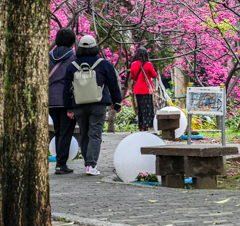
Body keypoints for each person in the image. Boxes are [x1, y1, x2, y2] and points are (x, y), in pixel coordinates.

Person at [65, 35, 122, 176]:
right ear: (95, 47)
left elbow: (66, 89)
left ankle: (87, 163)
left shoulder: (72, 66)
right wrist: (117, 102)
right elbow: (113, 85)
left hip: (79, 104)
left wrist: (69, 107)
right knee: (95, 134)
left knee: (84, 134)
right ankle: (91, 165)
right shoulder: (103, 64)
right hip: (98, 104)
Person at [48, 28, 78, 175]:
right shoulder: (73, 56)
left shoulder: (48, 56)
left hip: (50, 100)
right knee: (66, 132)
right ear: (72, 41)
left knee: (58, 131)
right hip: (66, 100)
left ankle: (60, 162)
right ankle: (61, 164)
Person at [127, 47, 159, 131]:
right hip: (146, 90)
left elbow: (133, 76)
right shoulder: (148, 64)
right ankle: (146, 124)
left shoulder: (133, 64)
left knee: (140, 108)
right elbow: (154, 75)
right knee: (148, 108)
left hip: (137, 90)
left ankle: (140, 126)